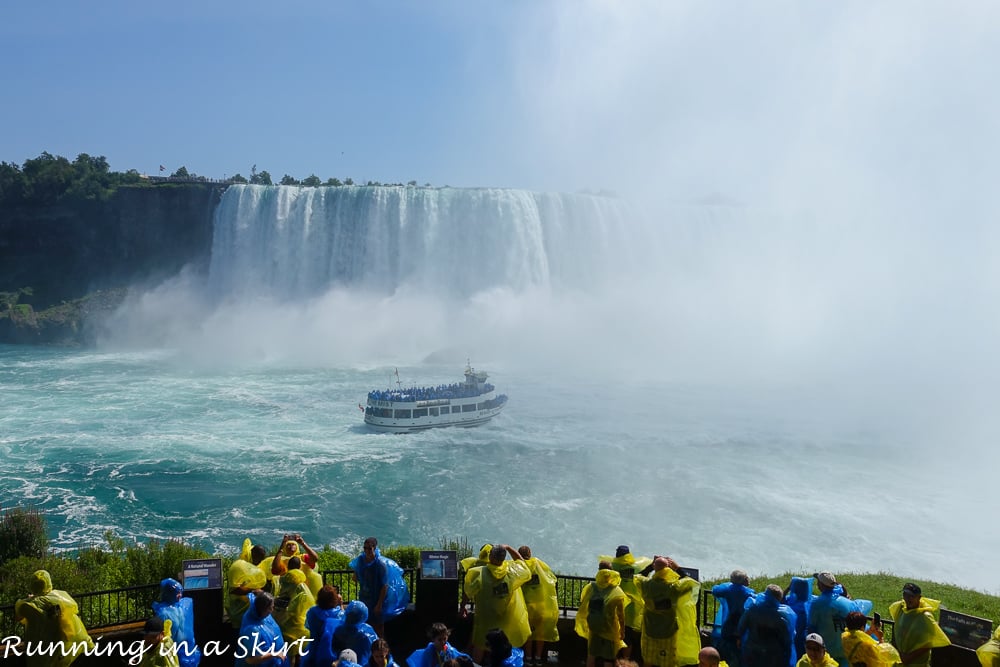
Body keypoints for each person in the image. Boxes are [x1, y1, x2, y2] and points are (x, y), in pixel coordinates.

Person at [464, 544, 532, 663]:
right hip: (506, 620)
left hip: (486, 619)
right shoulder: (512, 572)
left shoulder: (479, 573)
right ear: (503, 558)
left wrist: (462, 607)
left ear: (490, 557)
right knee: (503, 648)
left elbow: (467, 592)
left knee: (480, 644)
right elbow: (522, 563)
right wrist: (509, 548)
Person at [13, 569, 94, 667]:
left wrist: (32, 598)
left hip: (40, 648)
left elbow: (18, 616)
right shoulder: (61, 598)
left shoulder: (27, 605)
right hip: (62, 644)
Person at [635, 556, 701, 667]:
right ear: (667, 569)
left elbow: (637, 576)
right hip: (669, 630)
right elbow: (691, 582)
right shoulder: (673, 588)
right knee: (668, 661)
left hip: (649, 628)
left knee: (648, 658)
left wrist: (651, 567)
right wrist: (677, 568)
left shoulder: (646, 585)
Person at [350, 537, 410, 637]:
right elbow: (355, 577)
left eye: (369, 548)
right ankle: (368, 643)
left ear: (375, 548)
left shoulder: (380, 565)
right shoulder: (361, 560)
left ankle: (380, 644)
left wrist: (379, 604)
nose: (366, 551)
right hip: (365, 597)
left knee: (378, 624)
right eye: (365, 548)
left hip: (378, 598)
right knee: (365, 621)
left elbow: (384, 586)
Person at [600, 546, 652, 659]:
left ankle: (613, 659)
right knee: (627, 636)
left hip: (615, 603)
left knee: (614, 634)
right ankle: (625, 661)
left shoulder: (613, 567)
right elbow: (646, 572)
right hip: (632, 607)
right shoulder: (637, 567)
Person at [575, 561, 628, 667]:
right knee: (608, 658)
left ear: (599, 571)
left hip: (594, 628)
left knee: (591, 655)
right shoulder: (616, 591)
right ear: (611, 572)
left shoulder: (591, 587)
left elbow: (583, 601)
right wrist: (622, 630)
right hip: (610, 629)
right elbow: (621, 615)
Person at [888, 583, 950, 666]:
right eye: (905, 595)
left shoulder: (925, 617)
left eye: (912, 596)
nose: (908, 599)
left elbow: (928, 643)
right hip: (900, 659)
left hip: (916, 663)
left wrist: (908, 657)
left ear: (919, 598)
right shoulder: (900, 608)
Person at [806, 572, 860, 667]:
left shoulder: (816, 605)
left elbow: (811, 629)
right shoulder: (848, 603)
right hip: (846, 652)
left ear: (820, 585)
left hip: (826, 654)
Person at [518, 545, 559, 666]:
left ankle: (528, 658)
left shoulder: (520, 566)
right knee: (540, 633)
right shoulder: (538, 564)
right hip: (541, 606)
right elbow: (550, 578)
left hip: (526, 606)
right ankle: (538, 658)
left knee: (528, 633)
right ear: (530, 553)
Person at [737, 584, 795, 667]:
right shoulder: (782, 616)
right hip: (773, 656)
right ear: (779, 599)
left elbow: (741, 627)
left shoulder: (752, 609)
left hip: (752, 651)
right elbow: (787, 640)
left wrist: (739, 638)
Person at [152, 577, 202, 667]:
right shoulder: (164, 612)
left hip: (186, 649)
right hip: (174, 650)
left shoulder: (181, 606)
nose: (179, 595)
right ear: (169, 594)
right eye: (177, 593)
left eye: (180, 592)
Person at [712, 570, 755, 667]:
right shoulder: (749, 593)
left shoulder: (727, 590)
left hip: (728, 624)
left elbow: (715, 590)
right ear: (743, 580)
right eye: (746, 577)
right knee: (738, 655)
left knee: (727, 652)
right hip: (741, 626)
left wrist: (728, 584)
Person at [236, 590, 290, 667]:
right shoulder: (251, 630)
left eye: (272, 607)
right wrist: (274, 654)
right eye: (270, 608)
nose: (272, 611)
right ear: (262, 608)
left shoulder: (265, 618)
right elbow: (251, 659)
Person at [302, 585, 347, 667]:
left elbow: (308, 626)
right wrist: (341, 605)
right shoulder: (338, 613)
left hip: (314, 647)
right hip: (333, 649)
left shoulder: (312, 612)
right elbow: (344, 623)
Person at [230, 541, 269, 628]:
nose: (261, 561)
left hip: (250, 607)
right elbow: (234, 589)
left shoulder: (257, 566)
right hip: (238, 606)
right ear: (253, 554)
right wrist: (253, 590)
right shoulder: (240, 566)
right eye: (259, 558)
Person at [333, 600, 380, 667]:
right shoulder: (366, 633)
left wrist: (340, 605)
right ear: (363, 617)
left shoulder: (339, 628)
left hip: (342, 659)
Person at [406, 622, 472, 667]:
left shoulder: (449, 650)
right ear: (433, 639)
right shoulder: (429, 653)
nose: (443, 642)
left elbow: (460, 658)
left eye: (445, 638)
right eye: (440, 639)